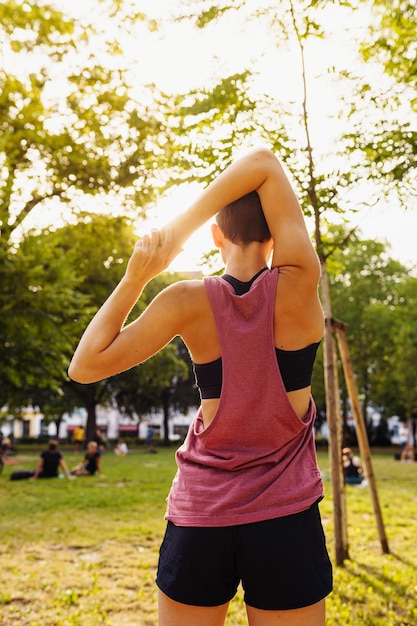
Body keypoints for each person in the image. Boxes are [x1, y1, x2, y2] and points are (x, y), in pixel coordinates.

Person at [69, 147, 332, 625]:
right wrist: (180, 227)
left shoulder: (186, 300)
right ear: (274, 236)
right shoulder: (299, 285)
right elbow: (266, 164)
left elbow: (84, 367)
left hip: (200, 516)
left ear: (216, 234)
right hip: (286, 519)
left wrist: (139, 273)